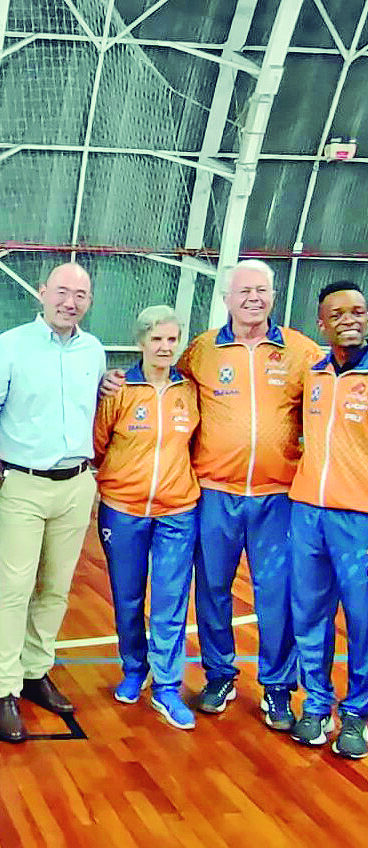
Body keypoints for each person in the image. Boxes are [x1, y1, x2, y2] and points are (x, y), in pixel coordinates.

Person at [102, 259, 320, 730]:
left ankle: (279, 688)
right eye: (243, 291)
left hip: (276, 495)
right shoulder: (200, 351)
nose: (252, 299)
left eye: (261, 290)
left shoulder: (300, 352)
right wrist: (112, 378)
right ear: (227, 298)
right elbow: (154, 379)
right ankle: (219, 674)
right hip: (213, 494)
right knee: (213, 591)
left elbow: (324, 407)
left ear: (273, 295)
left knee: (276, 595)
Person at [0, 262, 104, 743]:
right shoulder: (11, 345)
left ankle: (35, 672)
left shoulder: (92, 351)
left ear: (89, 302)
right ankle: (5, 689)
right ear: (43, 291)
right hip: (24, 485)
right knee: (14, 588)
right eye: (63, 292)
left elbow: (100, 398)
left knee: (55, 588)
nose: (70, 302)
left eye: (81, 295)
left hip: (76, 484)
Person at [93, 306, 200, 730]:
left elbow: (197, 444)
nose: (165, 347)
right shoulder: (117, 390)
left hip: (178, 510)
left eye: (172, 340)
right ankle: (134, 668)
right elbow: (98, 445)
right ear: (141, 342)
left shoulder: (189, 392)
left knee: (171, 600)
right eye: (157, 339)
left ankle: (168, 686)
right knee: (128, 596)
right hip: (123, 509)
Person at [288, 280, 368, 757]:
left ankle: (358, 712)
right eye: (337, 314)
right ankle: (316, 705)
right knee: (310, 615)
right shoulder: (314, 376)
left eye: (357, 311)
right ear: (322, 323)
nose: (349, 319)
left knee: (363, 620)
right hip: (308, 513)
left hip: (360, 518)